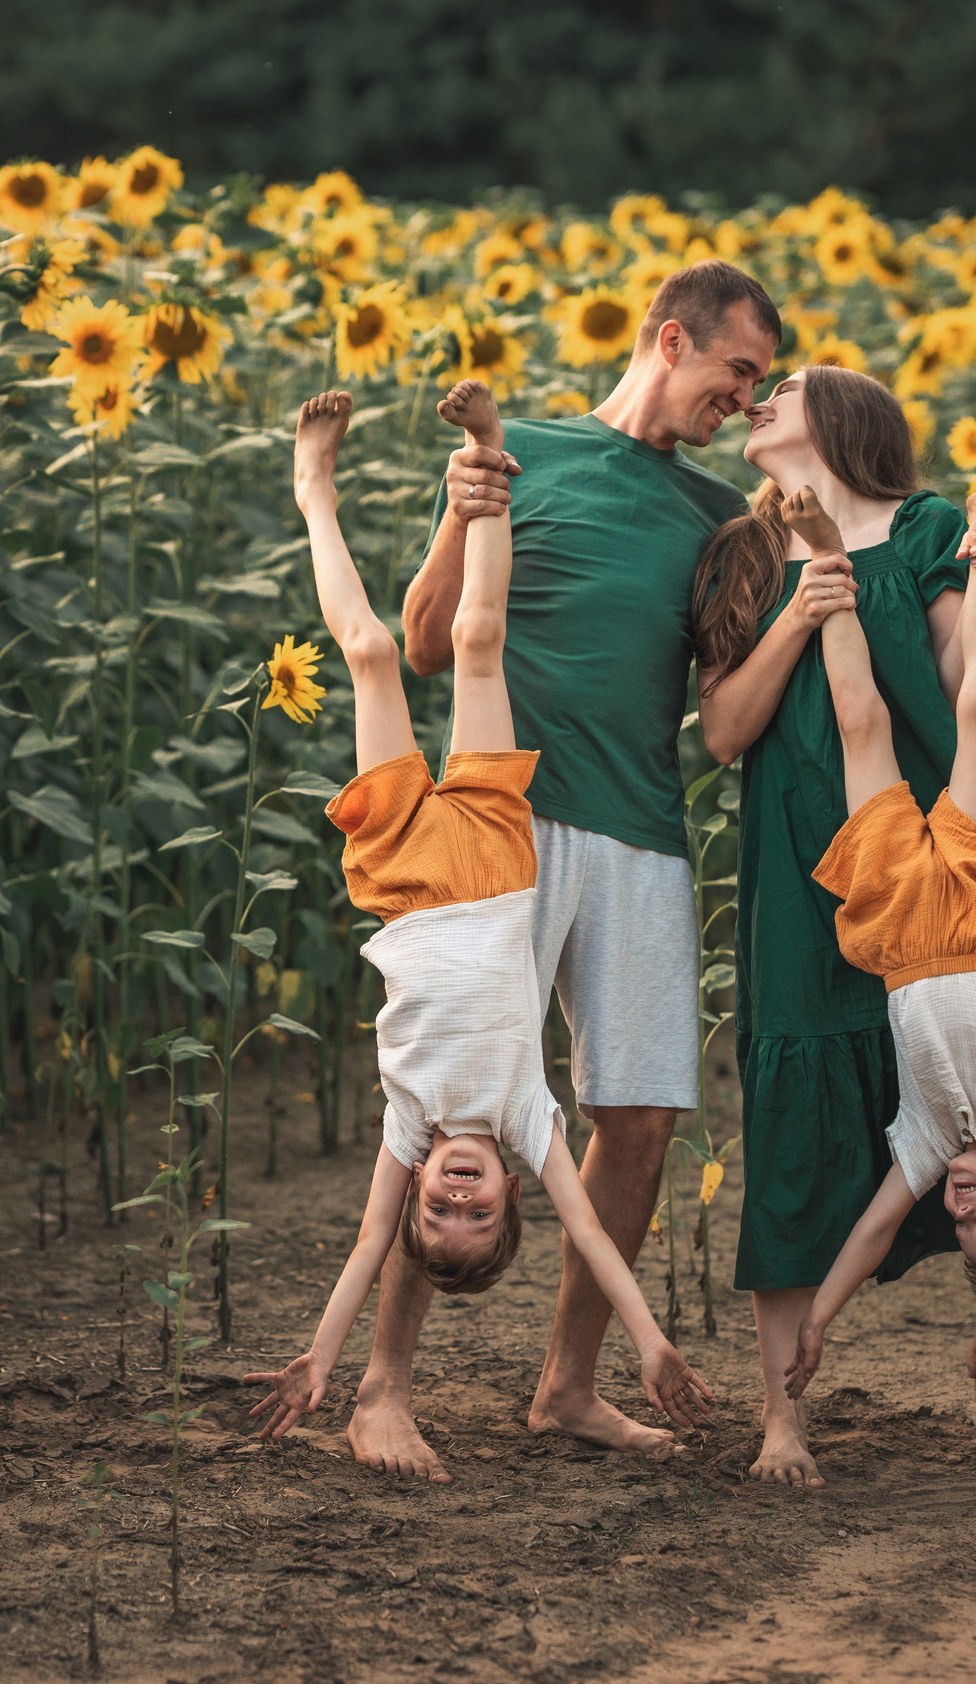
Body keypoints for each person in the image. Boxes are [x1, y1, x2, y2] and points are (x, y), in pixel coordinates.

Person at [349, 259, 779, 1482]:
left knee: (640, 1118)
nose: (743, 400)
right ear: (667, 338)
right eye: (734, 372)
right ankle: (382, 1389)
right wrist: (459, 506)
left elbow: (729, 700)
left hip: (643, 828)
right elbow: (427, 646)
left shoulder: (713, 516)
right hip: (504, 825)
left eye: (757, 385)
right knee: (453, 1103)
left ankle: (567, 1387)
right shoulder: (518, 453)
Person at [242, 384, 717, 1452]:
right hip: (504, 853)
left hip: (405, 870)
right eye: (480, 1214)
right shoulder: (524, 1120)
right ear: (509, 1190)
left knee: (364, 652)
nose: (456, 1201)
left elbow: (366, 1251)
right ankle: (490, 453)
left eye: (439, 1215)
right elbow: (590, 1234)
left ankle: (312, 490)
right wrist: (650, 1342)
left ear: (418, 1190)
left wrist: (317, 1356)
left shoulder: (409, 1132)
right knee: (480, 641)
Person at [695, 364, 976, 1486]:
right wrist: (802, 605)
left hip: (943, 847)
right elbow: (724, 730)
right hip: (802, 860)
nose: (755, 400)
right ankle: (782, 1415)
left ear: (844, 422)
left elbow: (961, 675)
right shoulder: (740, 552)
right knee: (794, 1113)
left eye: (779, 386)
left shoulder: (925, 525)